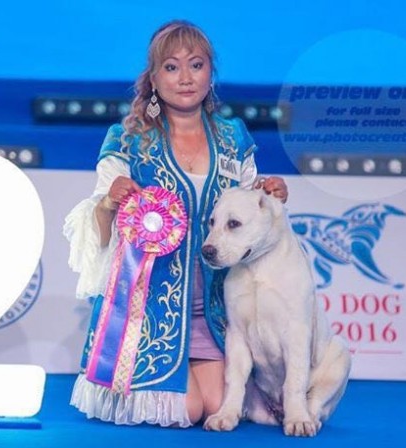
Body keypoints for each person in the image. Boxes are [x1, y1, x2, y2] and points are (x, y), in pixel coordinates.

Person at [64, 19, 288, 428]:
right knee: (189, 410)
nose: (185, 77)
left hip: (215, 312)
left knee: (220, 405)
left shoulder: (233, 138)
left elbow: (252, 219)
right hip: (147, 314)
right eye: (171, 67)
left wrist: (270, 196)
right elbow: (97, 235)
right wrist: (109, 203)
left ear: (210, 73)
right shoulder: (127, 140)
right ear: (153, 78)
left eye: (196, 65)